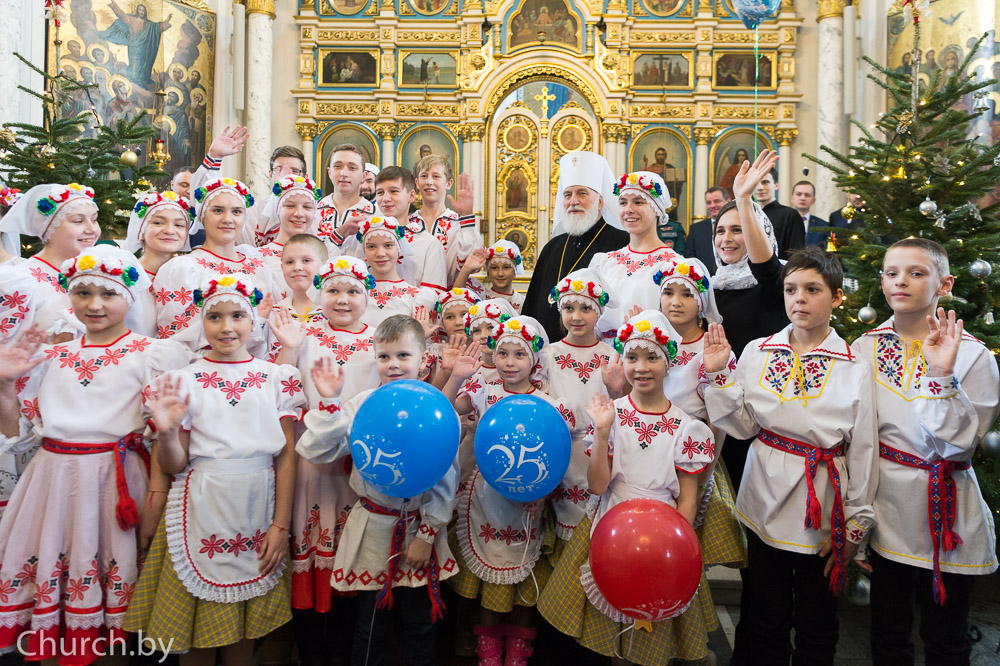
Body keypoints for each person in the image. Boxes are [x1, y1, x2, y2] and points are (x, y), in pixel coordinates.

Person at [0, 246, 191, 663]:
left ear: (130, 297)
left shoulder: (152, 355)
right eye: (83, 293)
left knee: (116, 612)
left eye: (108, 293)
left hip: (115, 482)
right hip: (51, 486)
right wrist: (4, 386)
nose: (94, 304)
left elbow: (167, 449)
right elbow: (15, 432)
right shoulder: (52, 358)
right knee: (52, 594)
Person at [703, 246, 877, 664]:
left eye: (812, 289)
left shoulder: (855, 365)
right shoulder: (758, 351)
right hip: (763, 497)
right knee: (764, 610)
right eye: (790, 288)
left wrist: (857, 521)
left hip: (821, 504)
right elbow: (743, 427)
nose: (798, 298)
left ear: (836, 297)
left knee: (818, 616)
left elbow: (865, 447)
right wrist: (720, 374)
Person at [124, 274, 303, 662]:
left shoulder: (277, 378)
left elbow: (286, 456)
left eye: (237, 315)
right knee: (195, 637)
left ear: (253, 320)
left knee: (243, 634)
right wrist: (168, 435)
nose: (226, 327)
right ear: (201, 322)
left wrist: (280, 524)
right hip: (199, 507)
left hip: (257, 506)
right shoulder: (181, 381)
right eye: (215, 317)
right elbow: (175, 464)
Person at [537, 310, 718, 664]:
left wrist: (678, 553)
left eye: (652, 357)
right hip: (611, 528)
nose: (642, 367)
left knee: (652, 634)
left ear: (669, 363)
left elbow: (688, 500)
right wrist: (603, 432)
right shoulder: (612, 415)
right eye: (632, 357)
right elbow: (597, 484)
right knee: (613, 631)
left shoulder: (686, 427)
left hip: (663, 536)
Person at [852, 239, 999, 665]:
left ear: (944, 283)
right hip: (887, 512)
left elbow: (957, 444)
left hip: (947, 513)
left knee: (946, 636)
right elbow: (859, 438)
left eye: (916, 273)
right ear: (881, 282)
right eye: (892, 272)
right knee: (888, 631)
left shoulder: (972, 355)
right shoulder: (865, 349)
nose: (902, 281)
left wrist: (939, 374)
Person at [296, 315, 460, 666]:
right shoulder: (362, 404)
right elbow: (317, 450)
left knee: (420, 622)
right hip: (373, 528)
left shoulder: (435, 405)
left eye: (403, 355)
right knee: (370, 624)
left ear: (423, 358)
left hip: (418, 528)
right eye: (384, 356)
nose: (394, 364)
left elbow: (446, 476)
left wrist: (428, 535)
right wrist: (329, 404)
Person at [271, 255, 380, 666]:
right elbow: (277, 389)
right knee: (310, 547)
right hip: (310, 462)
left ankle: (343, 650)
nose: (342, 298)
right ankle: (311, 650)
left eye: (353, 290)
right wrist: (288, 349)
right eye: (333, 289)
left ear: (367, 296)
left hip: (358, 465)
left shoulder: (378, 343)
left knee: (350, 555)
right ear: (320, 293)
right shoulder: (305, 336)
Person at [444, 315, 571, 666]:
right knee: (489, 586)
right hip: (485, 498)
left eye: (519, 354)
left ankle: (518, 651)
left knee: (523, 581)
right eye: (503, 353)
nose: (510, 362)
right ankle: (487, 651)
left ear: (534, 360)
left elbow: (556, 454)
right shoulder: (482, 388)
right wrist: (457, 376)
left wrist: (543, 494)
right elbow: (451, 407)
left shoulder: (548, 402)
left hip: (528, 503)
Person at [707, 152, 790, 489]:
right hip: (720, 406)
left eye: (738, 230)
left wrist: (742, 200)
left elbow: (764, 265)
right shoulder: (710, 286)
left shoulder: (778, 280)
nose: (726, 238)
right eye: (721, 231)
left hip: (764, 408)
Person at [153, 178, 276, 354]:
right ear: (202, 215)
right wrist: (255, 325)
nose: (228, 219)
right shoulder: (183, 268)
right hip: (204, 373)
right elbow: (174, 342)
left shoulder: (258, 265)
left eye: (236, 211)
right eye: (218, 210)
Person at [540, 269, 614, 549]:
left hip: (596, 453)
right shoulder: (548, 354)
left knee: (593, 530)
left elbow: (621, 403)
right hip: (559, 451)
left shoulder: (610, 356)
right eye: (569, 308)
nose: (577, 316)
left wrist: (617, 388)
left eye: (586, 308)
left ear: (599, 311)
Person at [522, 151, 628, 341]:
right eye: (567, 195)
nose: (573, 201)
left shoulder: (621, 244)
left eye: (582, 193)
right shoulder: (552, 247)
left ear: (600, 202)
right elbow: (531, 306)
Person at [0, 183, 101, 340]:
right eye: (78, 221)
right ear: (49, 227)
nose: (92, 229)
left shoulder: (97, 274)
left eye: (94, 220)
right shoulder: (19, 281)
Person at [589, 170, 681, 336]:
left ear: (657, 209)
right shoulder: (604, 262)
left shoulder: (673, 265)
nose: (628, 210)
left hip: (646, 354)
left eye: (638, 202)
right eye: (623, 203)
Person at [189, 126, 308, 247]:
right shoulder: (249, 213)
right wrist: (214, 156)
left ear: (306, 177)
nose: (286, 176)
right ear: (270, 175)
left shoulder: (315, 216)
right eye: (279, 170)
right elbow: (206, 197)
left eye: (294, 171)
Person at [124, 190, 195, 337]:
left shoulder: (190, 275)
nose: (170, 230)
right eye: (158, 222)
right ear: (141, 230)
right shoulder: (126, 275)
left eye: (179, 225)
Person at [410, 155, 483, 287]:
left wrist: (466, 216)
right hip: (411, 298)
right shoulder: (409, 223)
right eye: (424, 176)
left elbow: (473, 262)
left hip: (450, 297)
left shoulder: (458, 223)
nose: (429, 182)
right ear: (417, 183)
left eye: (436, 176)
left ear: (448, 184)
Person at [356, 217, 437, 331]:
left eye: (388, 245)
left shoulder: (416, 298)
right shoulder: (355, 293)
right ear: (364, 251)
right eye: (371, 246)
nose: (380, 253)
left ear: (399, 249)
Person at [376, 166, 447, 292]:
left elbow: (432, 297)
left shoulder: (430, 245)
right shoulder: (366, 238)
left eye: (394, 191)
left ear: (411, 196)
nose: (385, 199)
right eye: (380, 192)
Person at [259, 176, 322, 300]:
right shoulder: (260, 257)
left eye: (307, 207)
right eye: (290, 206)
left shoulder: (324, 253)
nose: (299, 213)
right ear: (277, 209)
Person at [318, 144, 378, 258]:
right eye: (338, 166)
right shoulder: (313, 212)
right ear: (329, 172)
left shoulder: (375, 215)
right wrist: (339, 234)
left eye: (352, 168)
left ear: (363, 175)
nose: (343, 173)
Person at [458, 240, 525, 312]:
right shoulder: (479, 295)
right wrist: (466, 268)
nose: (500, 274)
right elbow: (457, 295)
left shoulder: (523, 302)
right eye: (494, 268)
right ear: (488, 272)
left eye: (506, 267)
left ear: (515, 272)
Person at [755, 168, 804, 259]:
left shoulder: (790, 215)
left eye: (765, 182)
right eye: (755, 182)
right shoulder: (746, 215)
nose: (759, 187)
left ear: (776, 185)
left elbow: (796, 254)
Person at [687, 186, 730, 275]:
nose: (712, 205)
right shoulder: (695, 229)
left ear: (728, 201)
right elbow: (690, 258)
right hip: (705, 282)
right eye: (708, 202)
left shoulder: (739, 226)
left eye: (717, 201)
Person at [791, 181, 829, 247]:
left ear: (813, 200)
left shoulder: (823, 226)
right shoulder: (782, 222)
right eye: (799, 194)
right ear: (792, 198)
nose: (803, 198)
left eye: (807, 195)